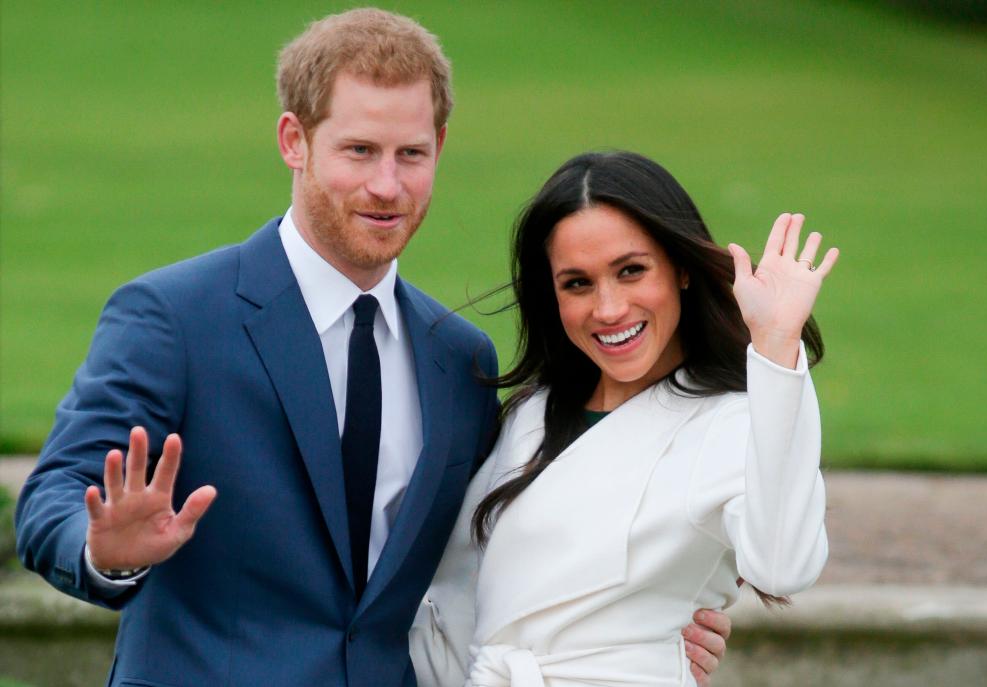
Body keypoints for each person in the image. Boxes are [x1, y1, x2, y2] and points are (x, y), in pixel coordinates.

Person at [14, 10, 730, 687]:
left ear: (439, 148)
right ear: (293, 139)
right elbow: (52, 496)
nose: (387, 186)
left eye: (410, 154)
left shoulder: (461, 360)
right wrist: (100, 550)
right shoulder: (173, 316)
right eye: (359, 150)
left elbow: (499, 551)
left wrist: (644, 618)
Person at [410, 151, 837, 686]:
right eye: (578, 283)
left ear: (680, 268)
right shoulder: (532, 413)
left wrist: (776, 348)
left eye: (631, 271)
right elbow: (465, 595)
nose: (608, 309)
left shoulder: (732, 422)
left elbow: (784, 566)